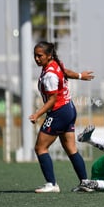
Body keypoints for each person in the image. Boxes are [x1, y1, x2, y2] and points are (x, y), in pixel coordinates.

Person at [30, 41, 94, 193]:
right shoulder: (54, 64)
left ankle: (51, 184)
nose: (37, 59)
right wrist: (80, 75)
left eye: (40, 56)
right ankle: (85, 182)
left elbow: (52, 100)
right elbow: (65, 72)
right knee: (71, 148)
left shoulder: (50, 75)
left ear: (49, 55)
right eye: (35, 55)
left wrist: (37, 114)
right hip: (68, 109)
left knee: (40, 148)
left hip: (59, 112)